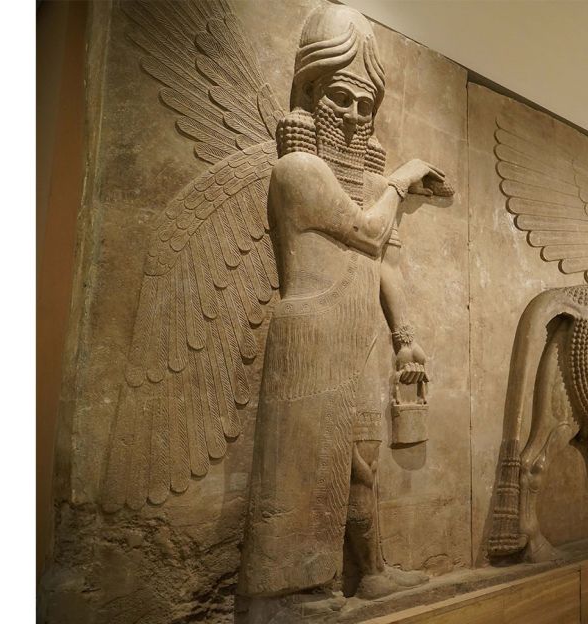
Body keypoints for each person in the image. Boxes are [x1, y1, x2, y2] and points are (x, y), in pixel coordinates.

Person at [237, 3, 451, 618]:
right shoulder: (298, 170)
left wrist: (403, 334)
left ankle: (373, 571)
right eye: (341, 98)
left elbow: (382, 260)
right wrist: (403, 179)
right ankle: (283, 594)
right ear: (309, 93)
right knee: (301, 468)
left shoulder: (359, 182)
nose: (356, 115)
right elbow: (364, 232)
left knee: (362, 459)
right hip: (310, 338)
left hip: (352, 334)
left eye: (366, 104)